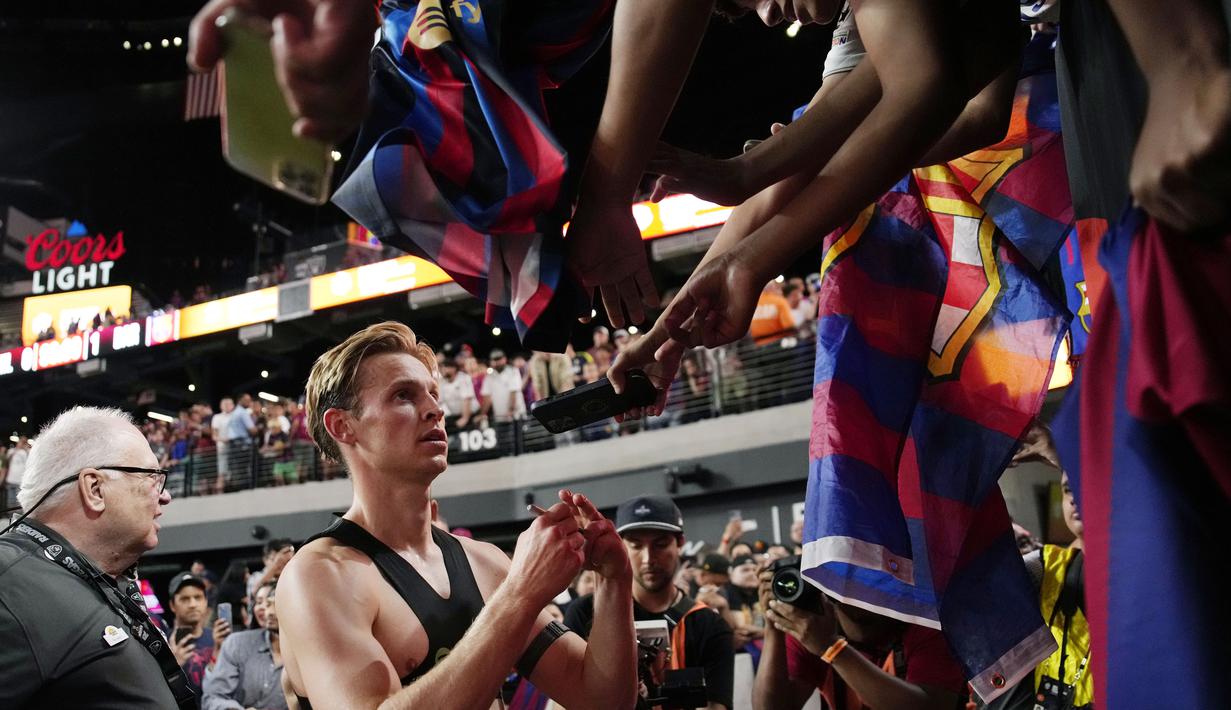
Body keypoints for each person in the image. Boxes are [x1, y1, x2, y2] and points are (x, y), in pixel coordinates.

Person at [278, 321, 637, 709]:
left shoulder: (484, 562)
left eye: (433, 394)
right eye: (403, 395)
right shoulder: (318, 575)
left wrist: (615, 582)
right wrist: (520, 595)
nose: (435, 409)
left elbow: (603, 700)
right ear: (343, 426)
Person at [0, 406, 193, 709]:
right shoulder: (9, 582)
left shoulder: (87, 578)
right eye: (153, 478)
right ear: (94, 489)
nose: (165, 495)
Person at [564, 495, 735, 710]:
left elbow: (717, 705)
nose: (648, 559)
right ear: (621, 546)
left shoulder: (708, 624)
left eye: (660, 545)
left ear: (680, 543)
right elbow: (562, 701)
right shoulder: (585, 612)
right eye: (635, 546)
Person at [753, 560, 967, 710]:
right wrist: (772, 623)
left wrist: (833, 649)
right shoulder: (817, 627)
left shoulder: (925, 620)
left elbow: (931, 706)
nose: (860, 588)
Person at [203, 582, 289, 710]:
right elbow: (213, 698)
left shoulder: (311, 655)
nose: (268, 611)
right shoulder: (237, 644)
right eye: (260, 602)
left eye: (274, 603)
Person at [168, 571, 233, 698]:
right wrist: (172, 666)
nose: (193, 604)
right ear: (172, 605)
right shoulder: (161, 643)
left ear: (205, 601)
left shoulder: (218, 639)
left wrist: (219, 650)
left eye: (198, 597)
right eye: (184, 599)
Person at [479, 349, 528, 425]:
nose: (497, 362)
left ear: (504, 359)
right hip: (500, 418)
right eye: (494, 360)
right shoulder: (489, 376)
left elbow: (513, 393)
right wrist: (482, 414)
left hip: (516, 416)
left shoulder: (513, 371)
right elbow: (486, 398)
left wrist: (511, 410)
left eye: (499, 359)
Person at [437, 358, 476, 433]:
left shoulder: (463, 378)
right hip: (455, 415)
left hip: (470, 415)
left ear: (453, 368)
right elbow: (439, 402)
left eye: (444, 367)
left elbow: (466, 399)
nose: (442, 370)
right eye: (441, 368)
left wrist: (465, 418)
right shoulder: (442, 382)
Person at [2, 435, 28, 511]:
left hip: (20, 481)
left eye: (24, 442)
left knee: (19, 501)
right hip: (10, 479)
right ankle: (10, 516)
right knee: (10, 500)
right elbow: (6, 462)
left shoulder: (26, 452)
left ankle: (17, 517)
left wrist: (25, 449)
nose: (22, 443)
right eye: (21, 441)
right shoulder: (11, 451)